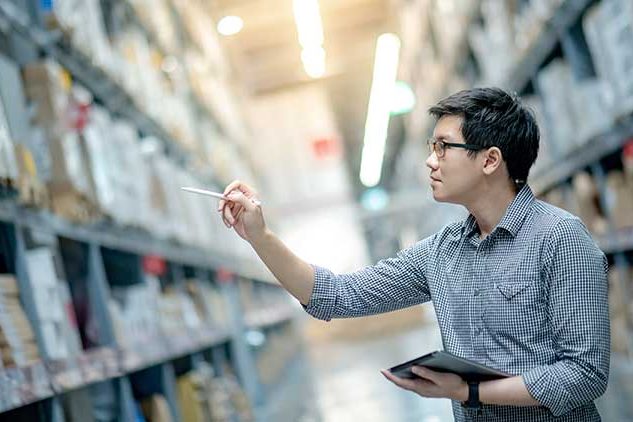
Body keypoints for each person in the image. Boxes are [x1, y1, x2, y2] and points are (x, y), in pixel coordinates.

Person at [217, 87, 610, 421]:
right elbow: (336, 295)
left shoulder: (560, 240)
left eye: (443, 147)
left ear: (491, 160)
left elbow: (585, 373)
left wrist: (468, 392)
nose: (430, 160)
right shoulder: (442, 252)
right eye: (431, 146)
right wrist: (260, 236)